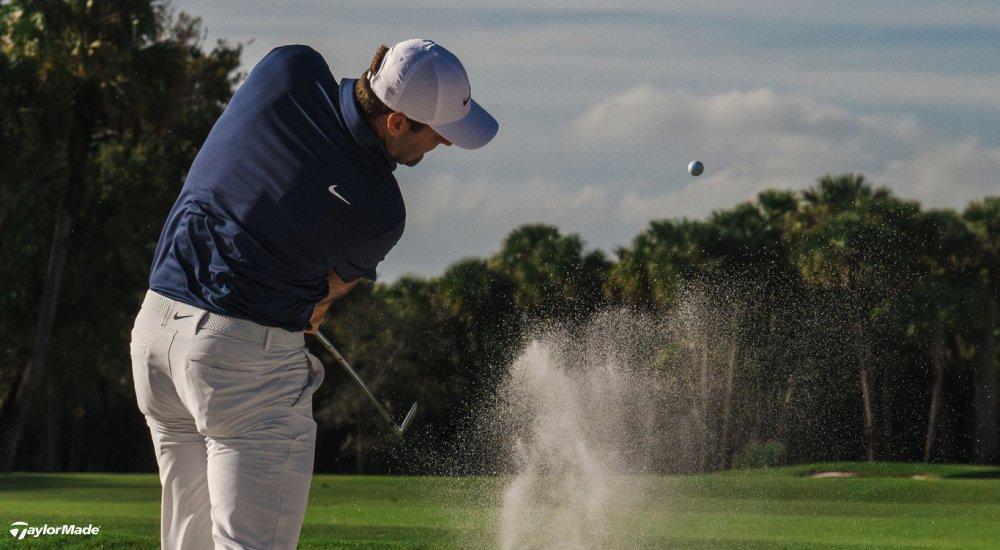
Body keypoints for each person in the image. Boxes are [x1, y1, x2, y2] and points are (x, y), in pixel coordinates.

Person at [128, 39, 497, 549]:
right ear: (396, 122)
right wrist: (307, 303)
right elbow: (319, 304)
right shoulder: (381, 210)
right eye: (437, 134)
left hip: (154, 334)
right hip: (237, 364)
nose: (446, 145)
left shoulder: (289, 66)